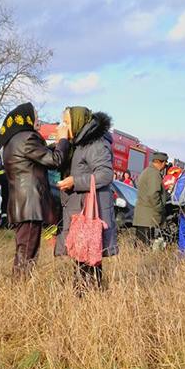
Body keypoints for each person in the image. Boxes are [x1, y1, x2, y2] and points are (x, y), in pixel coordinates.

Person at [0, 101, 69, 278]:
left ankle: (19, 285)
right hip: (30, 205)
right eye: (35, 116)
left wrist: (54, 146)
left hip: (21, 204)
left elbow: (39, 155)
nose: (38, 120)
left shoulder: (13, 141)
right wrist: (63, 140)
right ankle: (19, 289)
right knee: (27, 253)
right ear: (26, 119)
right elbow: (55, 160)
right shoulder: (28, 138)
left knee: (24, 250)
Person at [55, 106, 118, 289]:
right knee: (83, 258)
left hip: (90, 213)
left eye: (66, 122)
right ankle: (86, 295)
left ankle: (89, 297)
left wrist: (75, 181)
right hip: (80, 210)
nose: (63, 126)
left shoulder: (95, 144)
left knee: (89, 258)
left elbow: (105, 174)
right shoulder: (79, 143)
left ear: (77, 122)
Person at [132, 151, 167, 247]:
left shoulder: (147, 171)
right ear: (162, 162)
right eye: (165, 163)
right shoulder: (154, 174)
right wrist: (160, 209)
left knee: (140, 247)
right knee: (145, 247)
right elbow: (153, 194)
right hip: (149, 217)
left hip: (143, 217)